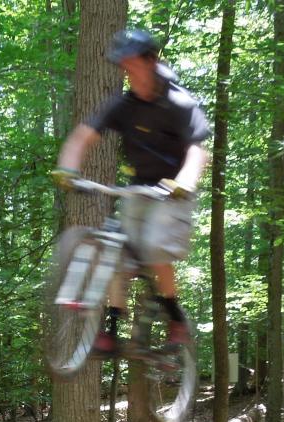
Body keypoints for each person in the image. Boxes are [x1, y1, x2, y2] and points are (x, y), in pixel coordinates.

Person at [52, 28, 209, 357]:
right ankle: (110, 330)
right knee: (118, 254)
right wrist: (68, 169)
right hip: (139, 185)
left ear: (151, 61)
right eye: (123, 68)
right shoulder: (123, 106)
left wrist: (185, 182)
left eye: (133, 65)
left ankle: (176, 319)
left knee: (154, 247)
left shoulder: (178, 102)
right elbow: (82, 137)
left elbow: (197, 149)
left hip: (173, 189)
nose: (128, 73)